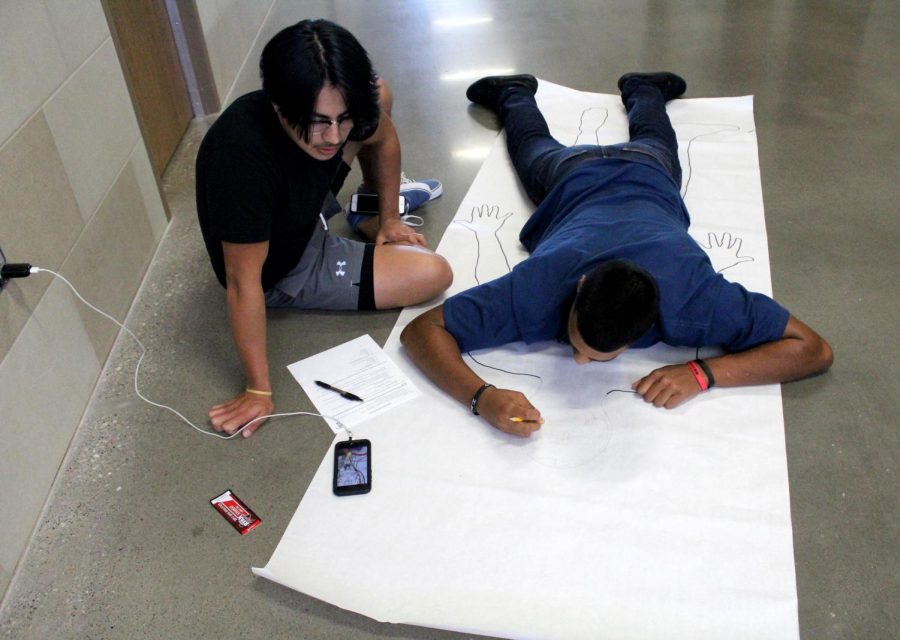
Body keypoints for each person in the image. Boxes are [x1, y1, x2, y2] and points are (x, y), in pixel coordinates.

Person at [400, 72, 832, 437]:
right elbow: (421, 331)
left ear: (656, 320)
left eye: (598, 354)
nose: (579, 360)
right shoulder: (539, 287)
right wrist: (482, 397)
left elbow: (813, 350)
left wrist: (703, 373)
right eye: (578, 341)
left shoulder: (696, 298)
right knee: (534, 145)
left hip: (643, 169)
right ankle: (553, 91)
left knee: (644, 140)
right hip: (576, 176)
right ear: (580, 285)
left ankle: (613, 90)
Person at [196, 19, 453, 437]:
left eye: (343, 118)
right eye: (318, 121)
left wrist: (389, 219)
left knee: (379, 94)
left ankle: (366, 214)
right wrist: (258, 389)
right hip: (284, 265)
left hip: (302, 202)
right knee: (433, 273)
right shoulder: (240, 161)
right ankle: (349, 223)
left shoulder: (329, 125)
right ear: (280, 106)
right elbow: (243, 283)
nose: (333, 136)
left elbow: (382, 137)